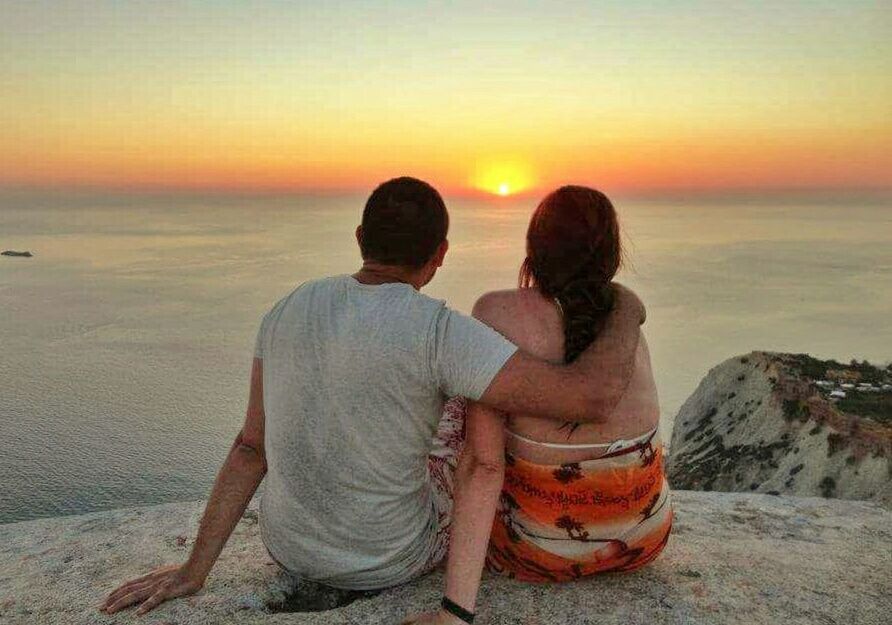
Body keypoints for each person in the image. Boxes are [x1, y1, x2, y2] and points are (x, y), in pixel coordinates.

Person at [99, 177, 645, 617]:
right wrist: (623, 306)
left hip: (289, 549)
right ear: (441, 254)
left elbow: (249, 448)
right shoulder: (440, 331)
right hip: (394, 560)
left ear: (361, 238)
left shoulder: (288, 307)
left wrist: (194, 571)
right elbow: (588, 398)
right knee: (464, 406)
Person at [406, 186, 671, 625]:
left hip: (539, 551)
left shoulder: (496, 311)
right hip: (644, 538)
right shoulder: (622, 324)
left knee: (456, 407)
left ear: (534, 249)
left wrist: (454, 612)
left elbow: (483, 464)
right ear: (611, 255)